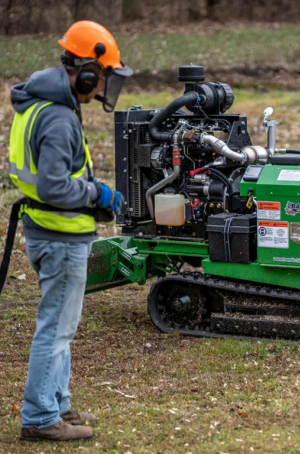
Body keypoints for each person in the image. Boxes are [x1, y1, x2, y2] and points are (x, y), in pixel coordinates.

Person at [9, 20, 132, 442]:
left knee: (62, 326)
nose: (101, 88)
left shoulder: (37, 105)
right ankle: (41, 417)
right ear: (84, 71)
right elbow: (53, 186)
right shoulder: (59, 117)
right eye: (101, 77)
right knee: (56, 328)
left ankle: (57, 403)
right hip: (59, 236)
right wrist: (98, 193)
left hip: (45, 230)